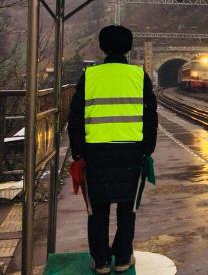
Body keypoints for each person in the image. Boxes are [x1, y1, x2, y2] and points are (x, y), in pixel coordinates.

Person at [68, 25, 158, 274]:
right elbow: (150, 116)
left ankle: (100, 262)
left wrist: (78, 152)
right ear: (128, 48)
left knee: (98, 210)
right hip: (131, 153)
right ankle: (122, 258)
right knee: (127, 210)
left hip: (95, 153)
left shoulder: (90, 76)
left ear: (102, 47)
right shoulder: (139, 76)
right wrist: (147, 148)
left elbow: (75, 117)